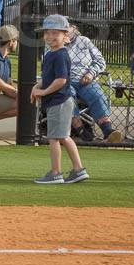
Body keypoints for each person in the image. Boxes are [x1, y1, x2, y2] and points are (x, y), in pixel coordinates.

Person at [31, 14, 88, 184]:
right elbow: (49, 77)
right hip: (59, 101)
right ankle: (78, 169)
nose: (50, 37)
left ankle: (56, 173)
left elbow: (61, 80)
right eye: (47, 33)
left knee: (55, 138)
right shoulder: (51, 54)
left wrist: (44, 91)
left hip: (60, 101)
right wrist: (37, 87)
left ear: (66, 36)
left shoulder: (61, 55)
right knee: (63, 136)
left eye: (56, 33)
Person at [60, 24, 124, 144]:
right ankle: (80, 129)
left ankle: (108, 130)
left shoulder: (85, 41)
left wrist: (91, 73)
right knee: (68, 94)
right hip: (64, 80)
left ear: (74, 28)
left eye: (67, 27)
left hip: (86, 79)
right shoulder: (53, 44)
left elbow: (100, 60)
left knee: (96, 94)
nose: (65, 30)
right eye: (62, 28)